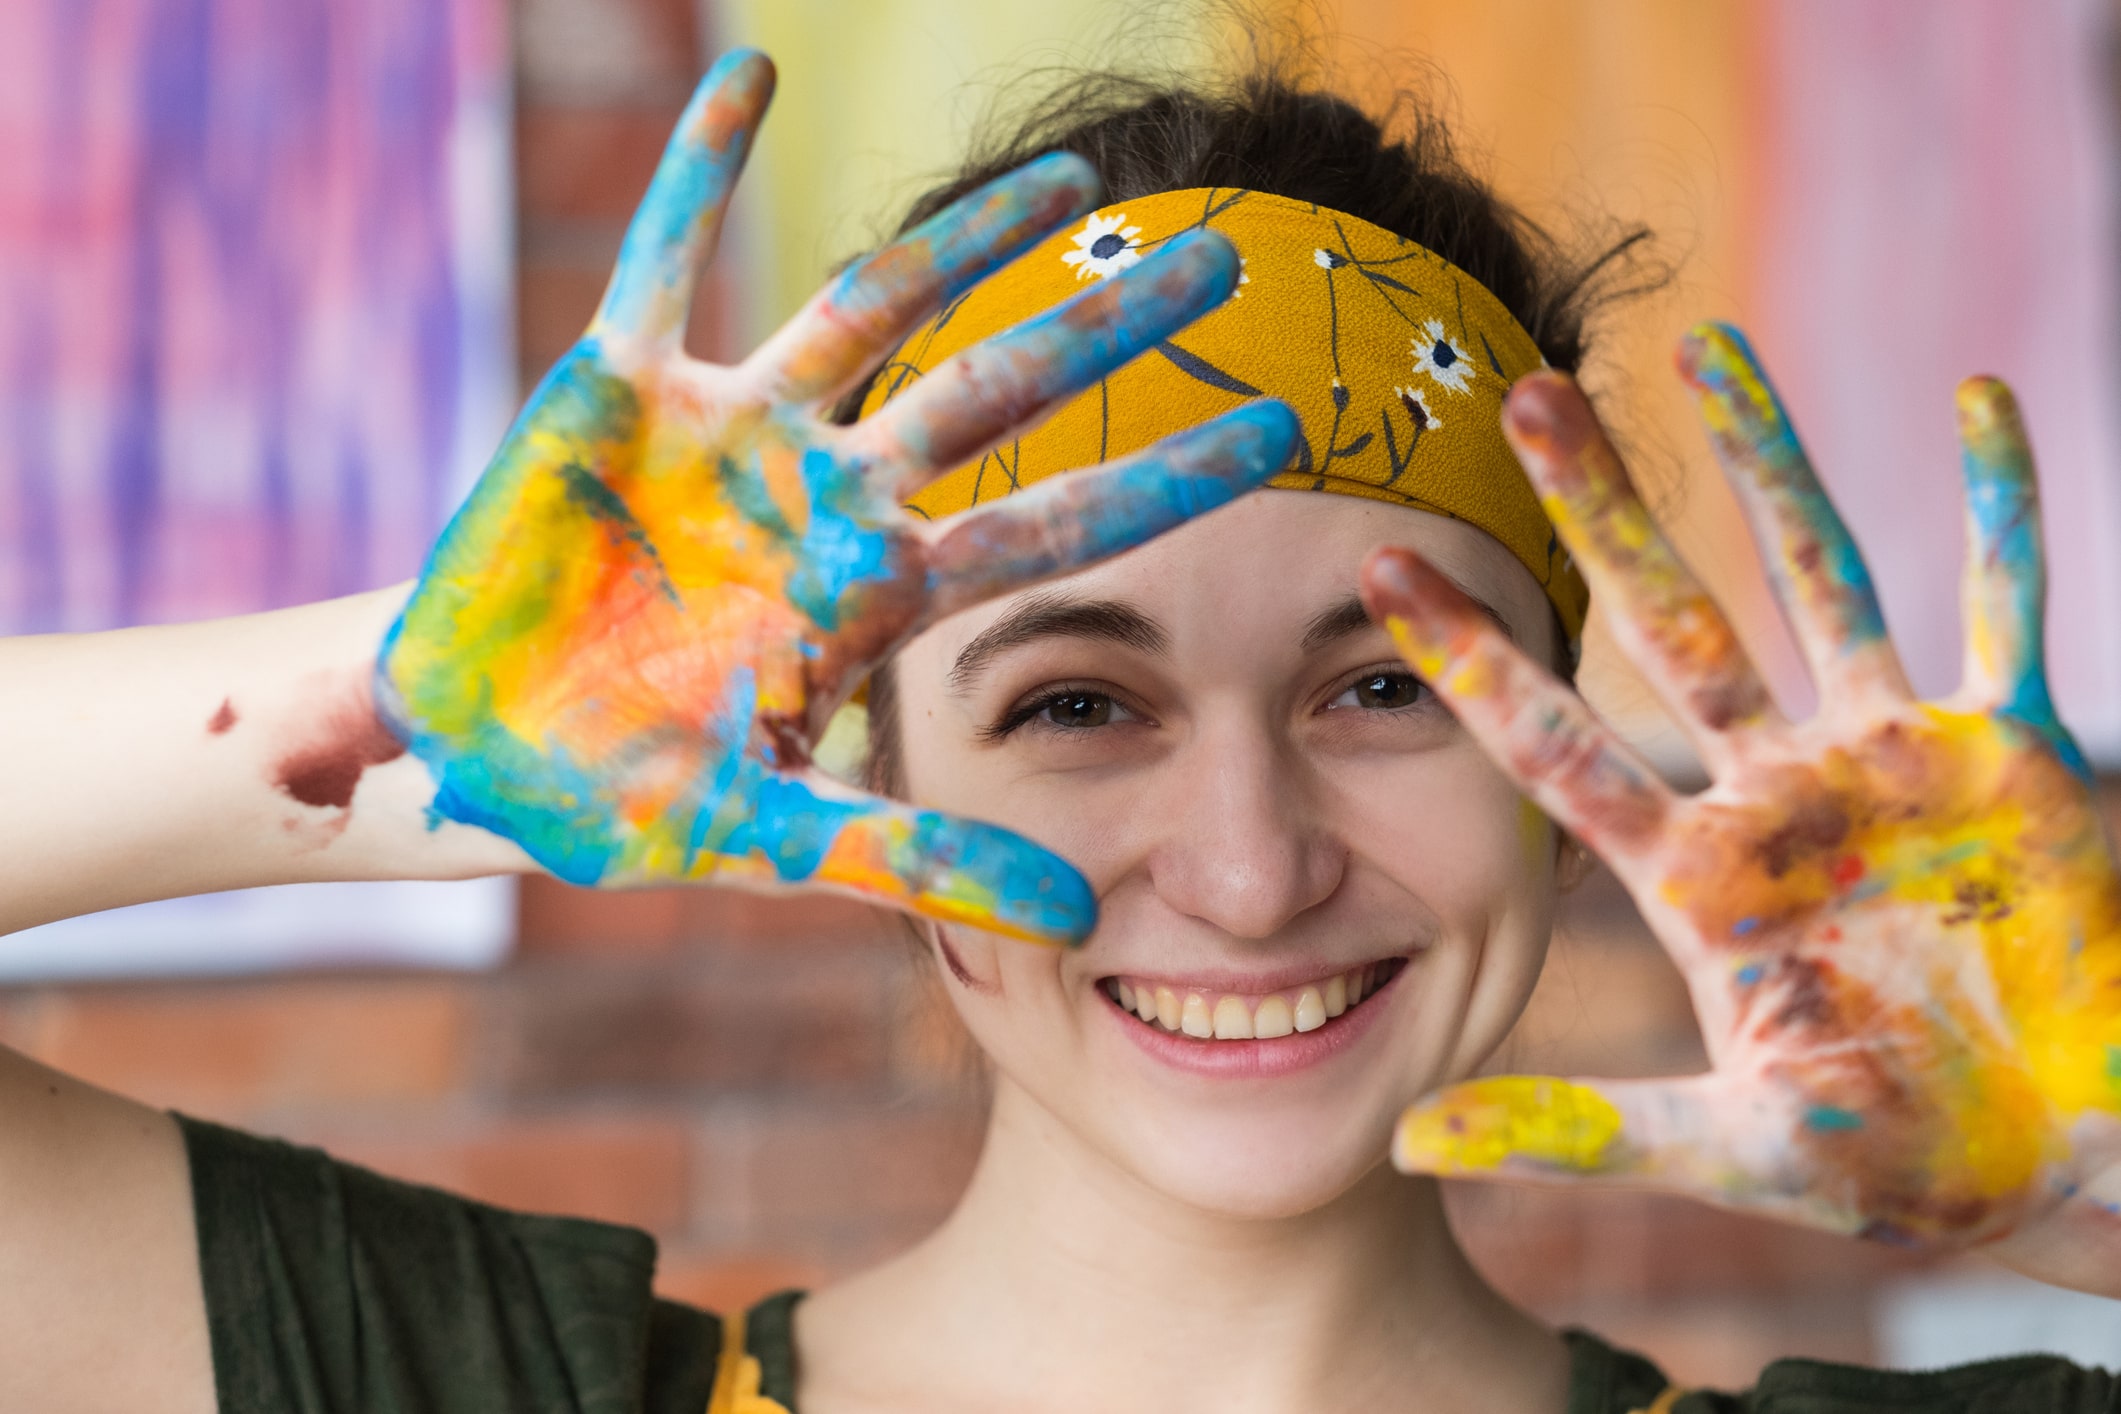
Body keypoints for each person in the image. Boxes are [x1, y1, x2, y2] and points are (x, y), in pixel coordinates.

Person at [3, 44, 2118, 1414]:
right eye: (1076, 697)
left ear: (1559, 774)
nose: (1247, 857)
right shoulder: (439, 1382)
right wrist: (389, 709)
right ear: (851, 762)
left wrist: (2098, 1194)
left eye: (1384, 686)